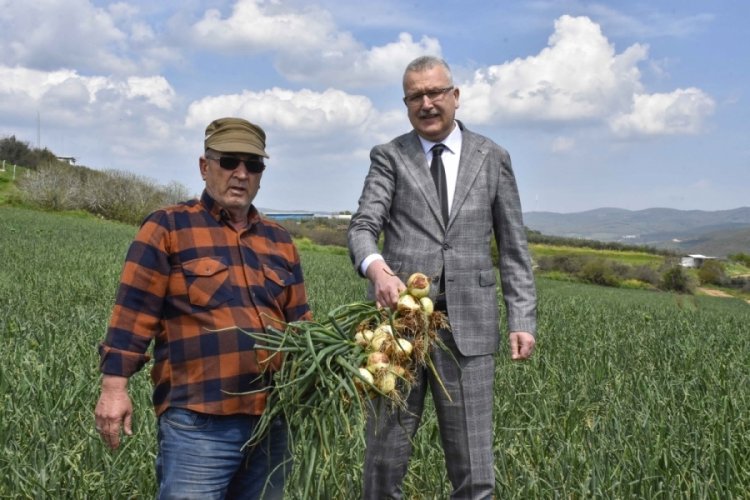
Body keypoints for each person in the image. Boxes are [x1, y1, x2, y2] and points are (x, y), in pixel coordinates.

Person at [347, 56, 537, 499]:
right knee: (383, 462)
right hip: (400, 331)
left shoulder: (493, 157)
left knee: (475, 470)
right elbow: (362, 227)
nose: (427, 103)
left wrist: (522, 318)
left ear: (455, 96)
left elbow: (513, 246)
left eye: (435, 93)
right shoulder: (390, 156)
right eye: (416, 96)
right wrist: (377, 268)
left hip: (469, 332)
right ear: (406, 103)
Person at [94, 117, 311, 499]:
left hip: (273, 422)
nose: (241, 174)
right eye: (230, 162)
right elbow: (133, 311)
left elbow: (302, 325)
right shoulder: (169, 226)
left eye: (253, 165)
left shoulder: (279, 240)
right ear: (204, 166)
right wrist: (114, 388)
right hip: (199, 422)